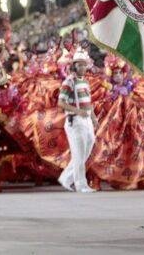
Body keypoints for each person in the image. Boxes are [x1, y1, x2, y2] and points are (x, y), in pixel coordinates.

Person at [57, 50, 98, 193]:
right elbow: (61, 103)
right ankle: (81, 185)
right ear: (74, 66)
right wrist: (76, 111)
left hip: (86, 120)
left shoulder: (85, 82)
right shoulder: (69, 81)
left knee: (86, 151)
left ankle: (66, 178)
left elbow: (89, 102)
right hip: (75, 121)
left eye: (84, 65)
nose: (82, 68)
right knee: (79, 153)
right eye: (79, 65)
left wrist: (93, 118)